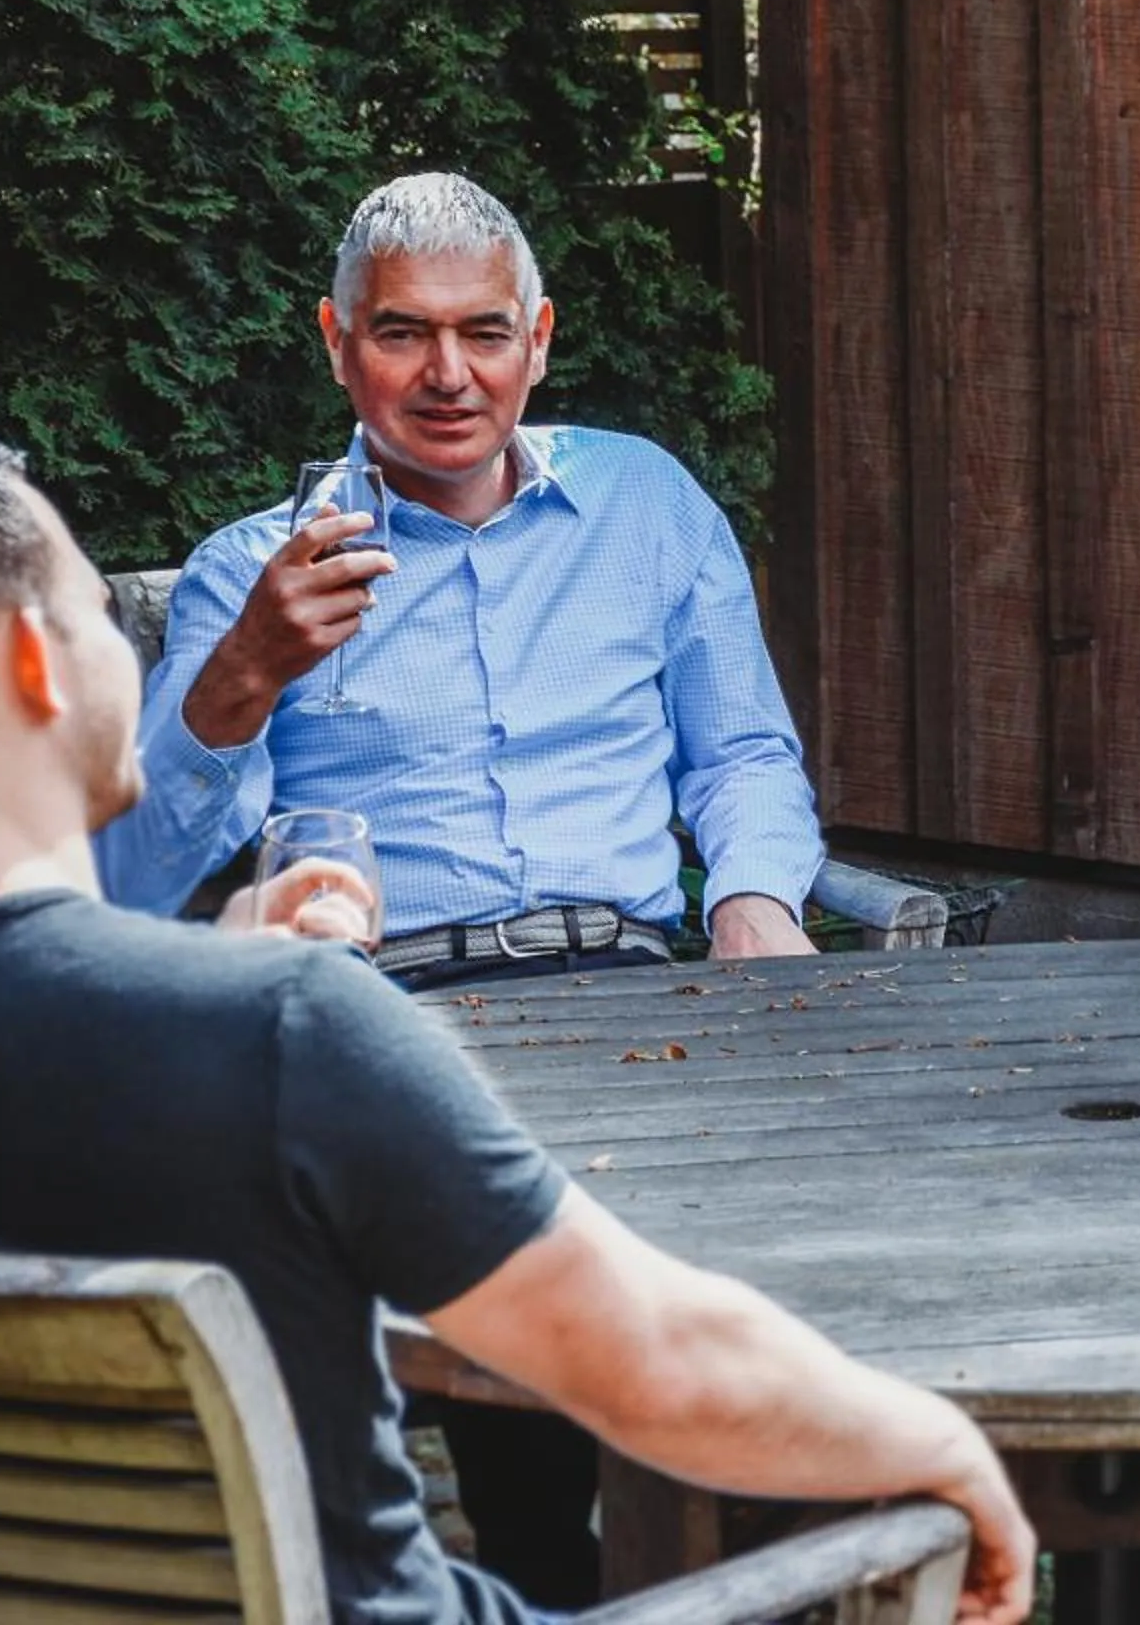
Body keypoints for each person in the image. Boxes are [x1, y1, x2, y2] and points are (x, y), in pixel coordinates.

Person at [0, 439, 1035, 1625]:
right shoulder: (287, 1035)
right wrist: (952, 1452)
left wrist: (214, 963)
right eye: (94, 613)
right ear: (34, 661)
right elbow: (666, 1365)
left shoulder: (229, 1022)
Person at [89, 171, 826, 1601]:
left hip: (634, 996)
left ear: (538, 339)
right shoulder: (258, 569)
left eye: (483, 333)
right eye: (401, 335)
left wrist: (755, 899)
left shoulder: (647, 505)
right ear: (336, 341)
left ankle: (694, 1557)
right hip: (391, 1015)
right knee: (526, 1317)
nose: (447, 376)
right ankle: (577, 1573)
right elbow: (129, 879)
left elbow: (739, 752)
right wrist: (244, 675)